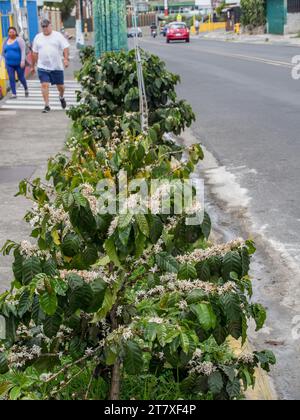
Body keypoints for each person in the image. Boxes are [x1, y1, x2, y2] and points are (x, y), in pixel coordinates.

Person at [31, 19, 70, 113]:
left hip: (56, 67)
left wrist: (65, 59)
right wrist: (33, 65)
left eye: (46, 26)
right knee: (44, 85)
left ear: (50, 26)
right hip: (42, 66)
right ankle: (47, 105)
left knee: (61, 87)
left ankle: (61, 96)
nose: (45, 28)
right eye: (43, 26)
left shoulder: (57, 35)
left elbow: (65, 47)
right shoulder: (38, 37)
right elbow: (34, 53)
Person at [1, 27, 29, 99]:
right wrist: (2, 61)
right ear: (8, 33)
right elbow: (3, 52)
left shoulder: (19, 40)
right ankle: (14, 93)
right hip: (9, 64)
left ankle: (26, 88)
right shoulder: (5, 41)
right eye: (10, 32)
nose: (11, 33)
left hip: (19, 63)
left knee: (21, 77)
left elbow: (23, 51)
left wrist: (22, 61)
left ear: (16, 32)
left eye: (13, 32)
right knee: (11, 78)